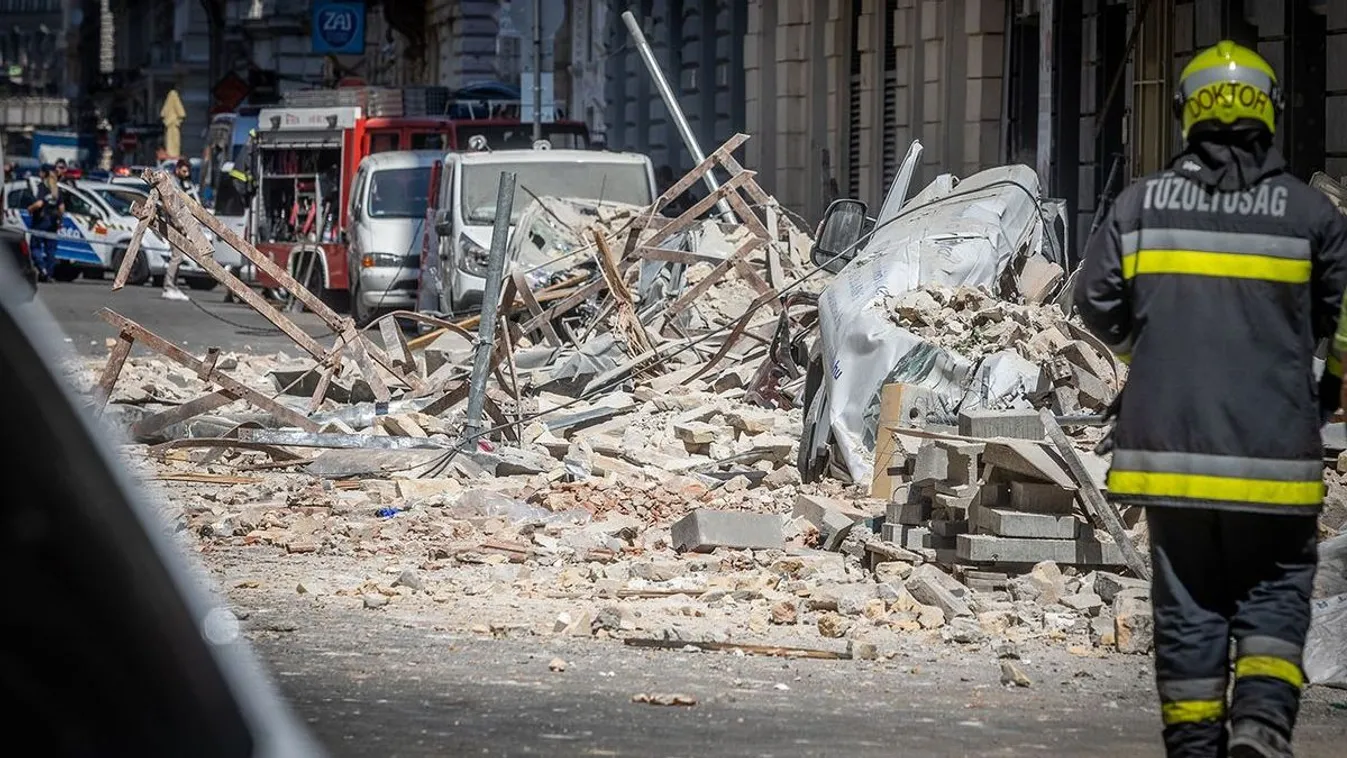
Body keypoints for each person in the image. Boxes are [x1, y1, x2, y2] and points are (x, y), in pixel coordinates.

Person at [1075, 41, 1347, 758]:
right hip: (1275, 454)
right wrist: (1327, 379)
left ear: (1184, 114)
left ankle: (1194, 746)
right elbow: (1341, 316)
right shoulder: (1310, 215)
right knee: (1274, 594)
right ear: (1270, 114)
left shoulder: (1139, 206)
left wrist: (1149, 349)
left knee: (1189, 605)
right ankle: (1258, 727)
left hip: (1168, 453)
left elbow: (1094, 302)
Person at [26, 164, 64, 282]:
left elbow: (39, 204)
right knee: (50, 251)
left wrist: (30, 208)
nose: (39, 174)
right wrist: (59, 221)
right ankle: (49, 275)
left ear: (44, 173)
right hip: (53, 222)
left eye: (40, 172)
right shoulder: (56, 188)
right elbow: (62, 208)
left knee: (35, 247)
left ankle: (42, 269)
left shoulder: (43, 186)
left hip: (41, 221)